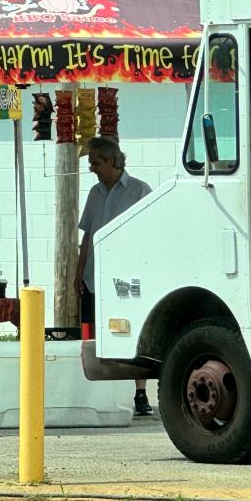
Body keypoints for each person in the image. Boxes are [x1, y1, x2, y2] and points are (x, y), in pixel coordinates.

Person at [75, 136, 154, 416]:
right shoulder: (95, 193)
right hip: (93, 276)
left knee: (131, 333)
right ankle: (99, 393)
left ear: (110, 161)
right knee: (95, 333)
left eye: (95, 162)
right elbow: (87, 236)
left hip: (125, 278)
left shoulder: (139, 190)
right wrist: (78, 272)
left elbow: (149, 234)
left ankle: (140, 393)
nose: (91, 168)